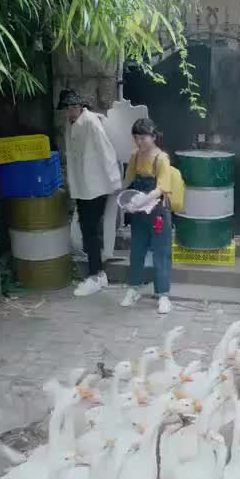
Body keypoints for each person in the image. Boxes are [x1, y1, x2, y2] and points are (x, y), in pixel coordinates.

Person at [58, 88, 122, 297]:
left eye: (74, 106)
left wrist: (114, 181)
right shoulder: (70, 124)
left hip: (97, 185)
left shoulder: (91, 123)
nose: (71, 110)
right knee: (87, 229)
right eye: (68, 107)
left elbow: (106, 151)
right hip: (82, 186)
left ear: (81, 106)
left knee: (90, 230)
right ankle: (99, 275)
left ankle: (94, 276)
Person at [120, 118, 175, 315]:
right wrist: (122, 198)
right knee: (137, 250)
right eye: (136, 137)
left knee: (161, 252)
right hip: (139, 213)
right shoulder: (135, 156)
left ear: (153, 137)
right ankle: (134, 288)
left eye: (142, 138)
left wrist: (144, 200)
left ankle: (163, 295)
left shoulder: (161, 158)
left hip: (158, 211)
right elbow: (127, 180)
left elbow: (161, 188)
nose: (139, 142)